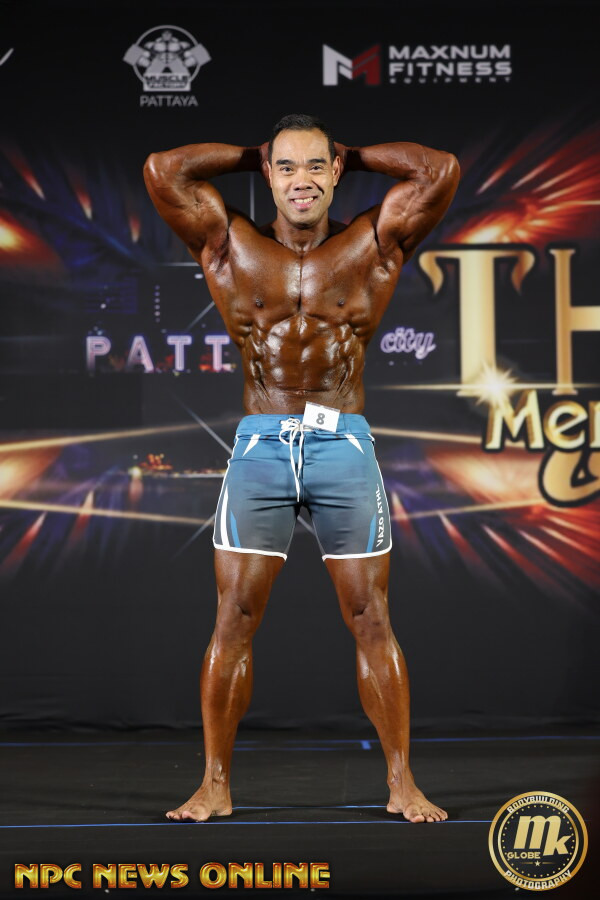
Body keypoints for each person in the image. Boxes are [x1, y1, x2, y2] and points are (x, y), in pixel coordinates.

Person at [143, 114, 459, 823]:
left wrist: (358, 153)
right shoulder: (229, 243)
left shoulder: (372, 241)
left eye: (317, 166)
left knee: (370, 615)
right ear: (269, 174)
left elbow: (438, 169)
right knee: (233, 616)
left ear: (335, 171)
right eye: (286, 168)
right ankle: (214, 784)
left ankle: (401, 782)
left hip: (341, 441)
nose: (302, 181)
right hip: (261, 443)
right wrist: (250, 155)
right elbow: (163, 169)